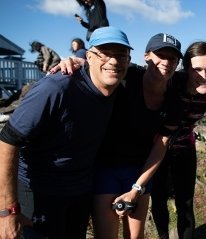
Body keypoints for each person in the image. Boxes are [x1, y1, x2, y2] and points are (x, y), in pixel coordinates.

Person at [0, 26, 132, 239]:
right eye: (105, 53)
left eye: (121, 55)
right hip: (38, 192)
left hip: (79, 192)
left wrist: (78, 57)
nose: (114, 61)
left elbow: (157, 72)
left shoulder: (119, 84)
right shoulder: (56, 88)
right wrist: (7, 212)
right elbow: (7, 140)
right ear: (90, 57)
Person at [52, 32, 184, 238]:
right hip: (105, 167)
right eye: (160, 55)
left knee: (135, 236)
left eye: (172, 58)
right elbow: (98, 66)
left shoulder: (174, 101)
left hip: (140, 170)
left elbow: (161, 145)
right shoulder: (126, 76)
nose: (166, 62)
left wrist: (137, 188)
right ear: (147, 56)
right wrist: (75, 60)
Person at [150, 41, 206, 239]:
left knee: (185, 203)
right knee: (159, 200)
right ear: (186, 68)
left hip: (185, 149)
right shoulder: (171, 82)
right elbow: (136, 72)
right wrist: (79, 61)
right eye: (196, 69)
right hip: (158, 149)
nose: (203, 76)